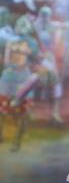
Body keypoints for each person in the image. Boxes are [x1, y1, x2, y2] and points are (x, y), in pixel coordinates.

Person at [33, 6, 69, 124]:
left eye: (47, 15)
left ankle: (54, 113)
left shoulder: (52, 25)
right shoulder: (34, 27)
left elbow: (66, 25)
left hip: (48, 59)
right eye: (43, 15)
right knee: (33, 82)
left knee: (55, 85)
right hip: (36, 59)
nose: (45, 18)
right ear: (40, 15)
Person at [0, 16, 39, 152]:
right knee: (2, 107)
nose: (21, 26)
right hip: (8, 75)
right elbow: (4, 56)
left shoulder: (32, 42)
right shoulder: (8, 39)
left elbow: (34, 55)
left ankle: (17, 140)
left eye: (24, 24)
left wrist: (22, 49)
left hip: (22, 76)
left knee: (22, 110)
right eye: (19, 23)